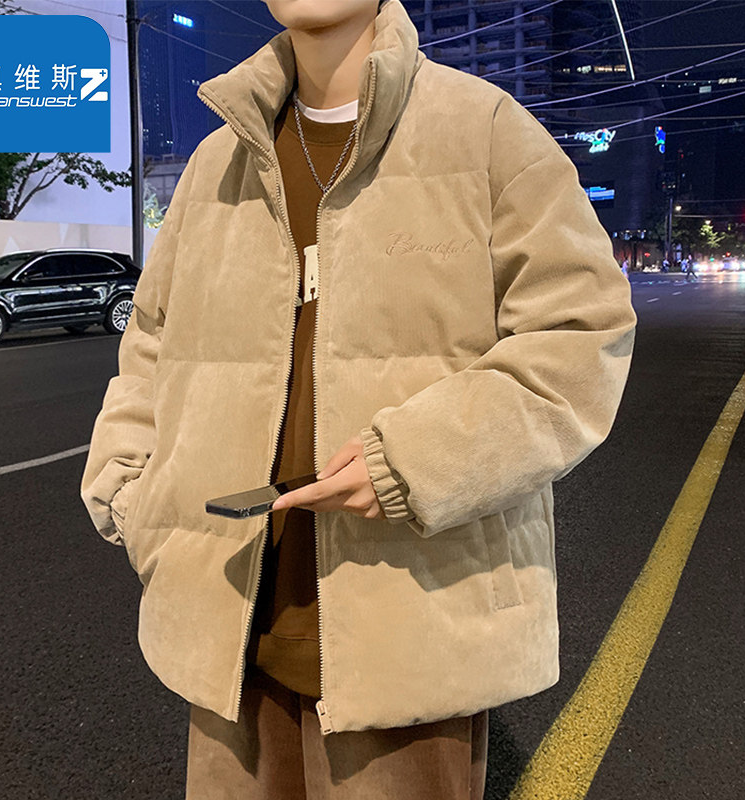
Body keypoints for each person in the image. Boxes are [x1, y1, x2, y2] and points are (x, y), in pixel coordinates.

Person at [80, 0, 637, 797]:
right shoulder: (217, 161)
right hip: (226, 630)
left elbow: (579, 341)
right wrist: (129, 492)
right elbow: (151, 345)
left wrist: (411, 461)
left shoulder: (485, 132)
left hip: (409, 636)